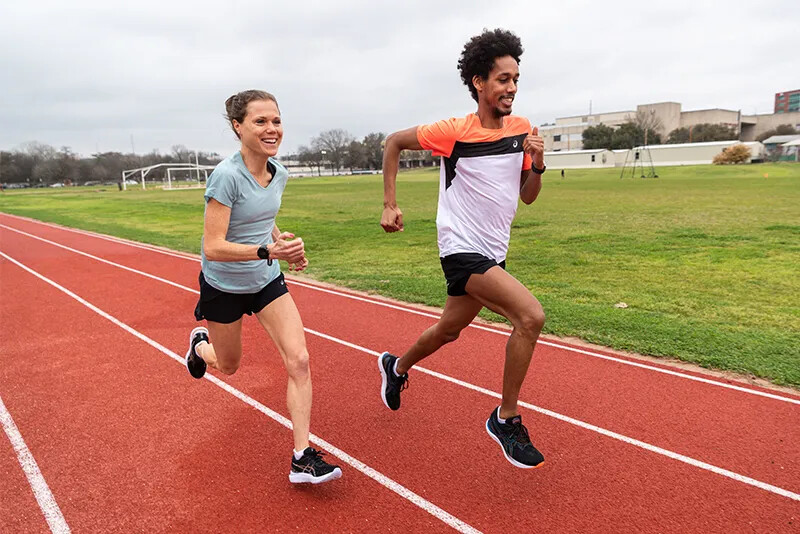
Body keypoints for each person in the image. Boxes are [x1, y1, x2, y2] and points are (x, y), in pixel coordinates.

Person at [379, 29, 547, 469]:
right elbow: (393, 142)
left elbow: (528, 196)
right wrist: (390, 204)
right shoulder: (454, 131)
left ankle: (396, 367)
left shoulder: (523, 129)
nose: (511, 88)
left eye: (516, 79)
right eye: (503, 79)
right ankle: (505, 419)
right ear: (478, 82)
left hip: (493, 251)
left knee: (448, 330)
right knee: (530, 316)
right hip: (459, 248)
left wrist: (538, 164)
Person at [185, 90, 341, 484]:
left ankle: (302, 457)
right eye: (260, 121)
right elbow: (213, 246)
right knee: (229, 365)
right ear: (238, 127)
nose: (272, 129)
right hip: (223, 284)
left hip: (266, 278)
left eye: (276, 121)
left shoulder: (279, 173)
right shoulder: (226, 176)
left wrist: (282, 244)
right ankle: (200, 348)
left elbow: (263, 219)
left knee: (299, 360)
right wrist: (267, 250)